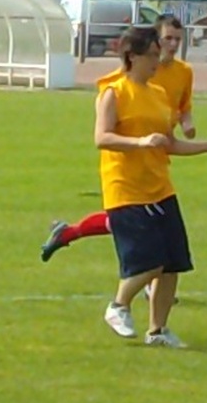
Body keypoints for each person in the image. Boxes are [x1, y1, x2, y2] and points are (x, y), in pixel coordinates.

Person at [92, 26, 207, 346]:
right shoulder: (114, 92)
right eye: (151, 54)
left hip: (161, 187)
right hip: (126, 189)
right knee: (149, 261)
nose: (158, 60)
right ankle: (118, 305)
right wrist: (139, 142)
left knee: (172, 264)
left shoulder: (160, 94)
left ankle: (158, 330)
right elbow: (102, 138)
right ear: (132, 56)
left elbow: (169, 144)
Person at [39, 14, 195, 263]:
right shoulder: (128, 76)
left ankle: (70, 233)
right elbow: (108, 109)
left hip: (157, 157)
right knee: (135, 222)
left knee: (136, 222)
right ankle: (137, 289)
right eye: (167, 39)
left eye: (178, 39)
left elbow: (184, 106)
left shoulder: (184, 72)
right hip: (128, 165)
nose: (172, 45)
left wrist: (188, 124)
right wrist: (139, 139)